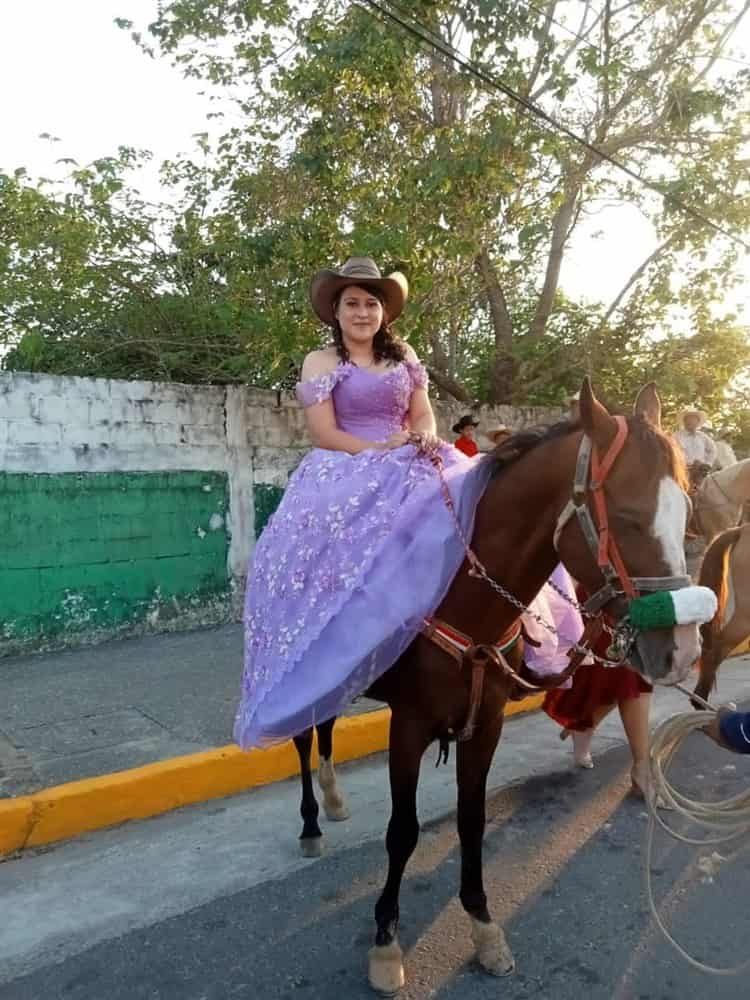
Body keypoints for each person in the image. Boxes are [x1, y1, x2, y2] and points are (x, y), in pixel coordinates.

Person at [234, 256, 493, 748]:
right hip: (346, 461)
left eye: (371, 303)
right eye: (351, 303)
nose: (362, 312)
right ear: (336, 311)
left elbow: (423, 415)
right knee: (305, 549)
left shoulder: (404, 355)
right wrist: (379, 452)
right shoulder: (321, 361)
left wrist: (418, 441)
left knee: (476, 500)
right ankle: (333, 642)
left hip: (408, 452)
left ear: (384, 313)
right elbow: (324, 432)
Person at [544, 597, 653, 795]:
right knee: (628, 675)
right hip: (604, 596)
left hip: (643, 595)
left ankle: (584, 725)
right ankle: (642, 769)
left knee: (638, 676)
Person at [674, 407, 717, 487]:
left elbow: (713, 450)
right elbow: (673, 454)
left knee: (705, 493)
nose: (691, 421)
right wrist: (685, 465)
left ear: (698, 422)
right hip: (683, 472)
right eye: (688, 419)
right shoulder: (677, 436)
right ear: (684, 421)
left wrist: (708, 464)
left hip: (701, 472)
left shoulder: (703, 436)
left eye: (694, 419)